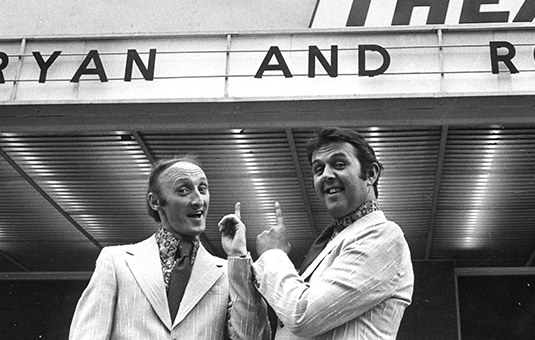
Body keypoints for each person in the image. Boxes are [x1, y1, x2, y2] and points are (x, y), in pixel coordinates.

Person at [69, 155, 270, 340]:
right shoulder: (116, 260)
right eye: (183, 190)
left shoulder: (229, 272)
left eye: (202, 189)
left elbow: (253, 337)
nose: (198, 200)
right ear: (155, 201)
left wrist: (238, 257)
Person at [249, 127, 414, 339]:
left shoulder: (384, 235)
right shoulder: (333, 240)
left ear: (371, 174)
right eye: (318, 169)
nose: (326, 175)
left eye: (339, 164)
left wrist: (273, 255)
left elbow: (302, 315)